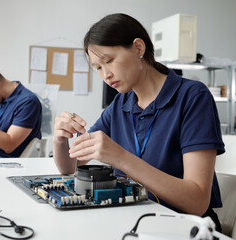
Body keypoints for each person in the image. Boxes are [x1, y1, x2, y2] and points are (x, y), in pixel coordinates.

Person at [53, 13, 224, 231]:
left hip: (186, 228)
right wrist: (60, 140)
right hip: (136, 222)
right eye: (98, 67)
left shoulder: (192, 96)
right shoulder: (119, 105)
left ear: (138, 48)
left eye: (109, 61)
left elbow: (197, 202)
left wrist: (121, 158)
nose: (105, 74)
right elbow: (70, 167)